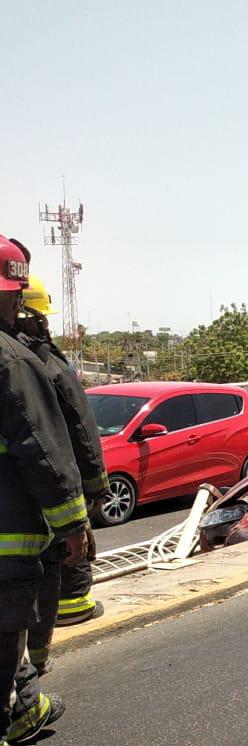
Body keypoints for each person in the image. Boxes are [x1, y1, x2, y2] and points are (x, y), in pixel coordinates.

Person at [0, 234, 88, 746]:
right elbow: (44, 445)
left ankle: (21, 707)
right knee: (7, 629)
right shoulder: (11, 361)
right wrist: (73, 522)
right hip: (8, 531)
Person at [17, 275, 107, 670]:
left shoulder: (19, 359)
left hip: (22, 491)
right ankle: (33, 672)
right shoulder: (42, 363)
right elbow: (79, 429)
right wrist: (94, 483)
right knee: (61, 554)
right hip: (49, 484)